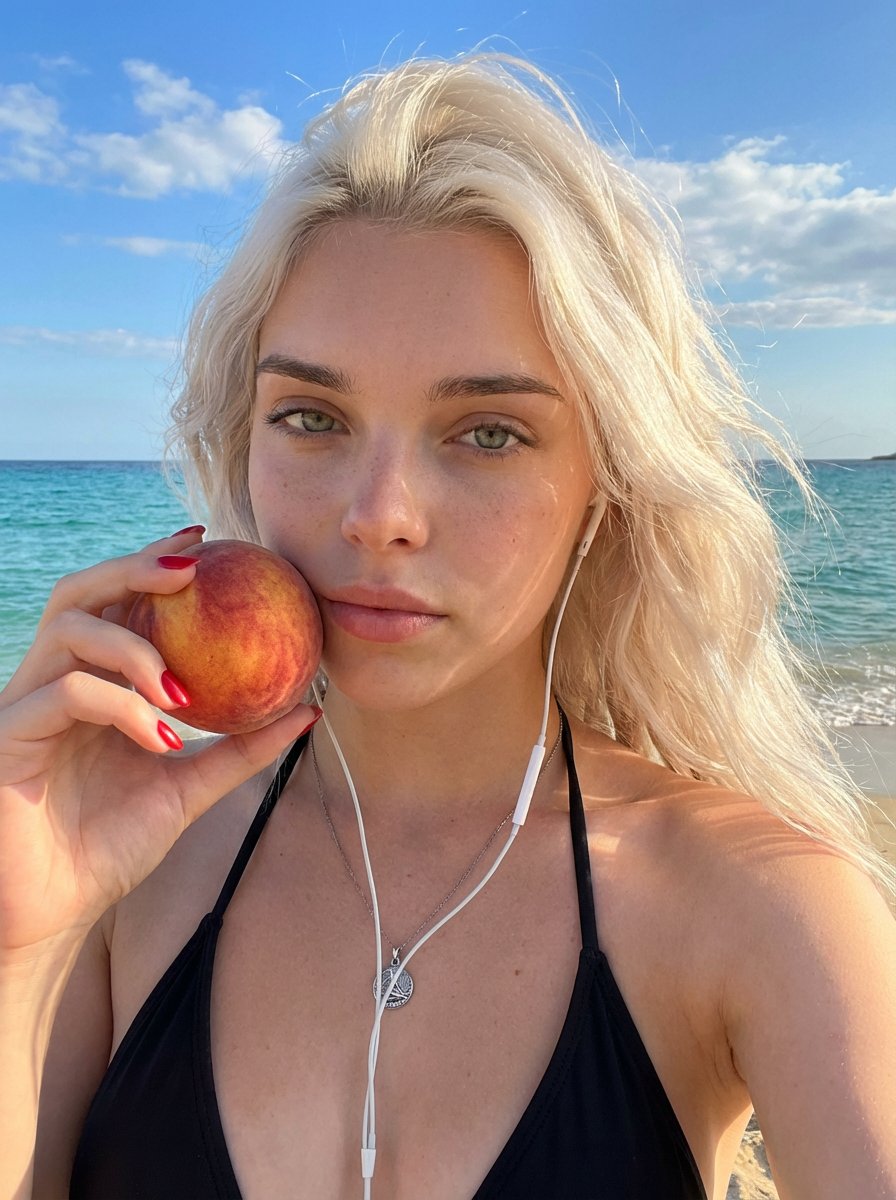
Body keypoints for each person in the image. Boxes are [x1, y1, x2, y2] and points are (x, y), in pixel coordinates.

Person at [1, 52, 894, 1200]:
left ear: (604, 485)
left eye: (486, 432)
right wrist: (19, 944)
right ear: (245, 445)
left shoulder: (760, 910)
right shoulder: (130, 872)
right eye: (312, 416)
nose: (378, 517)